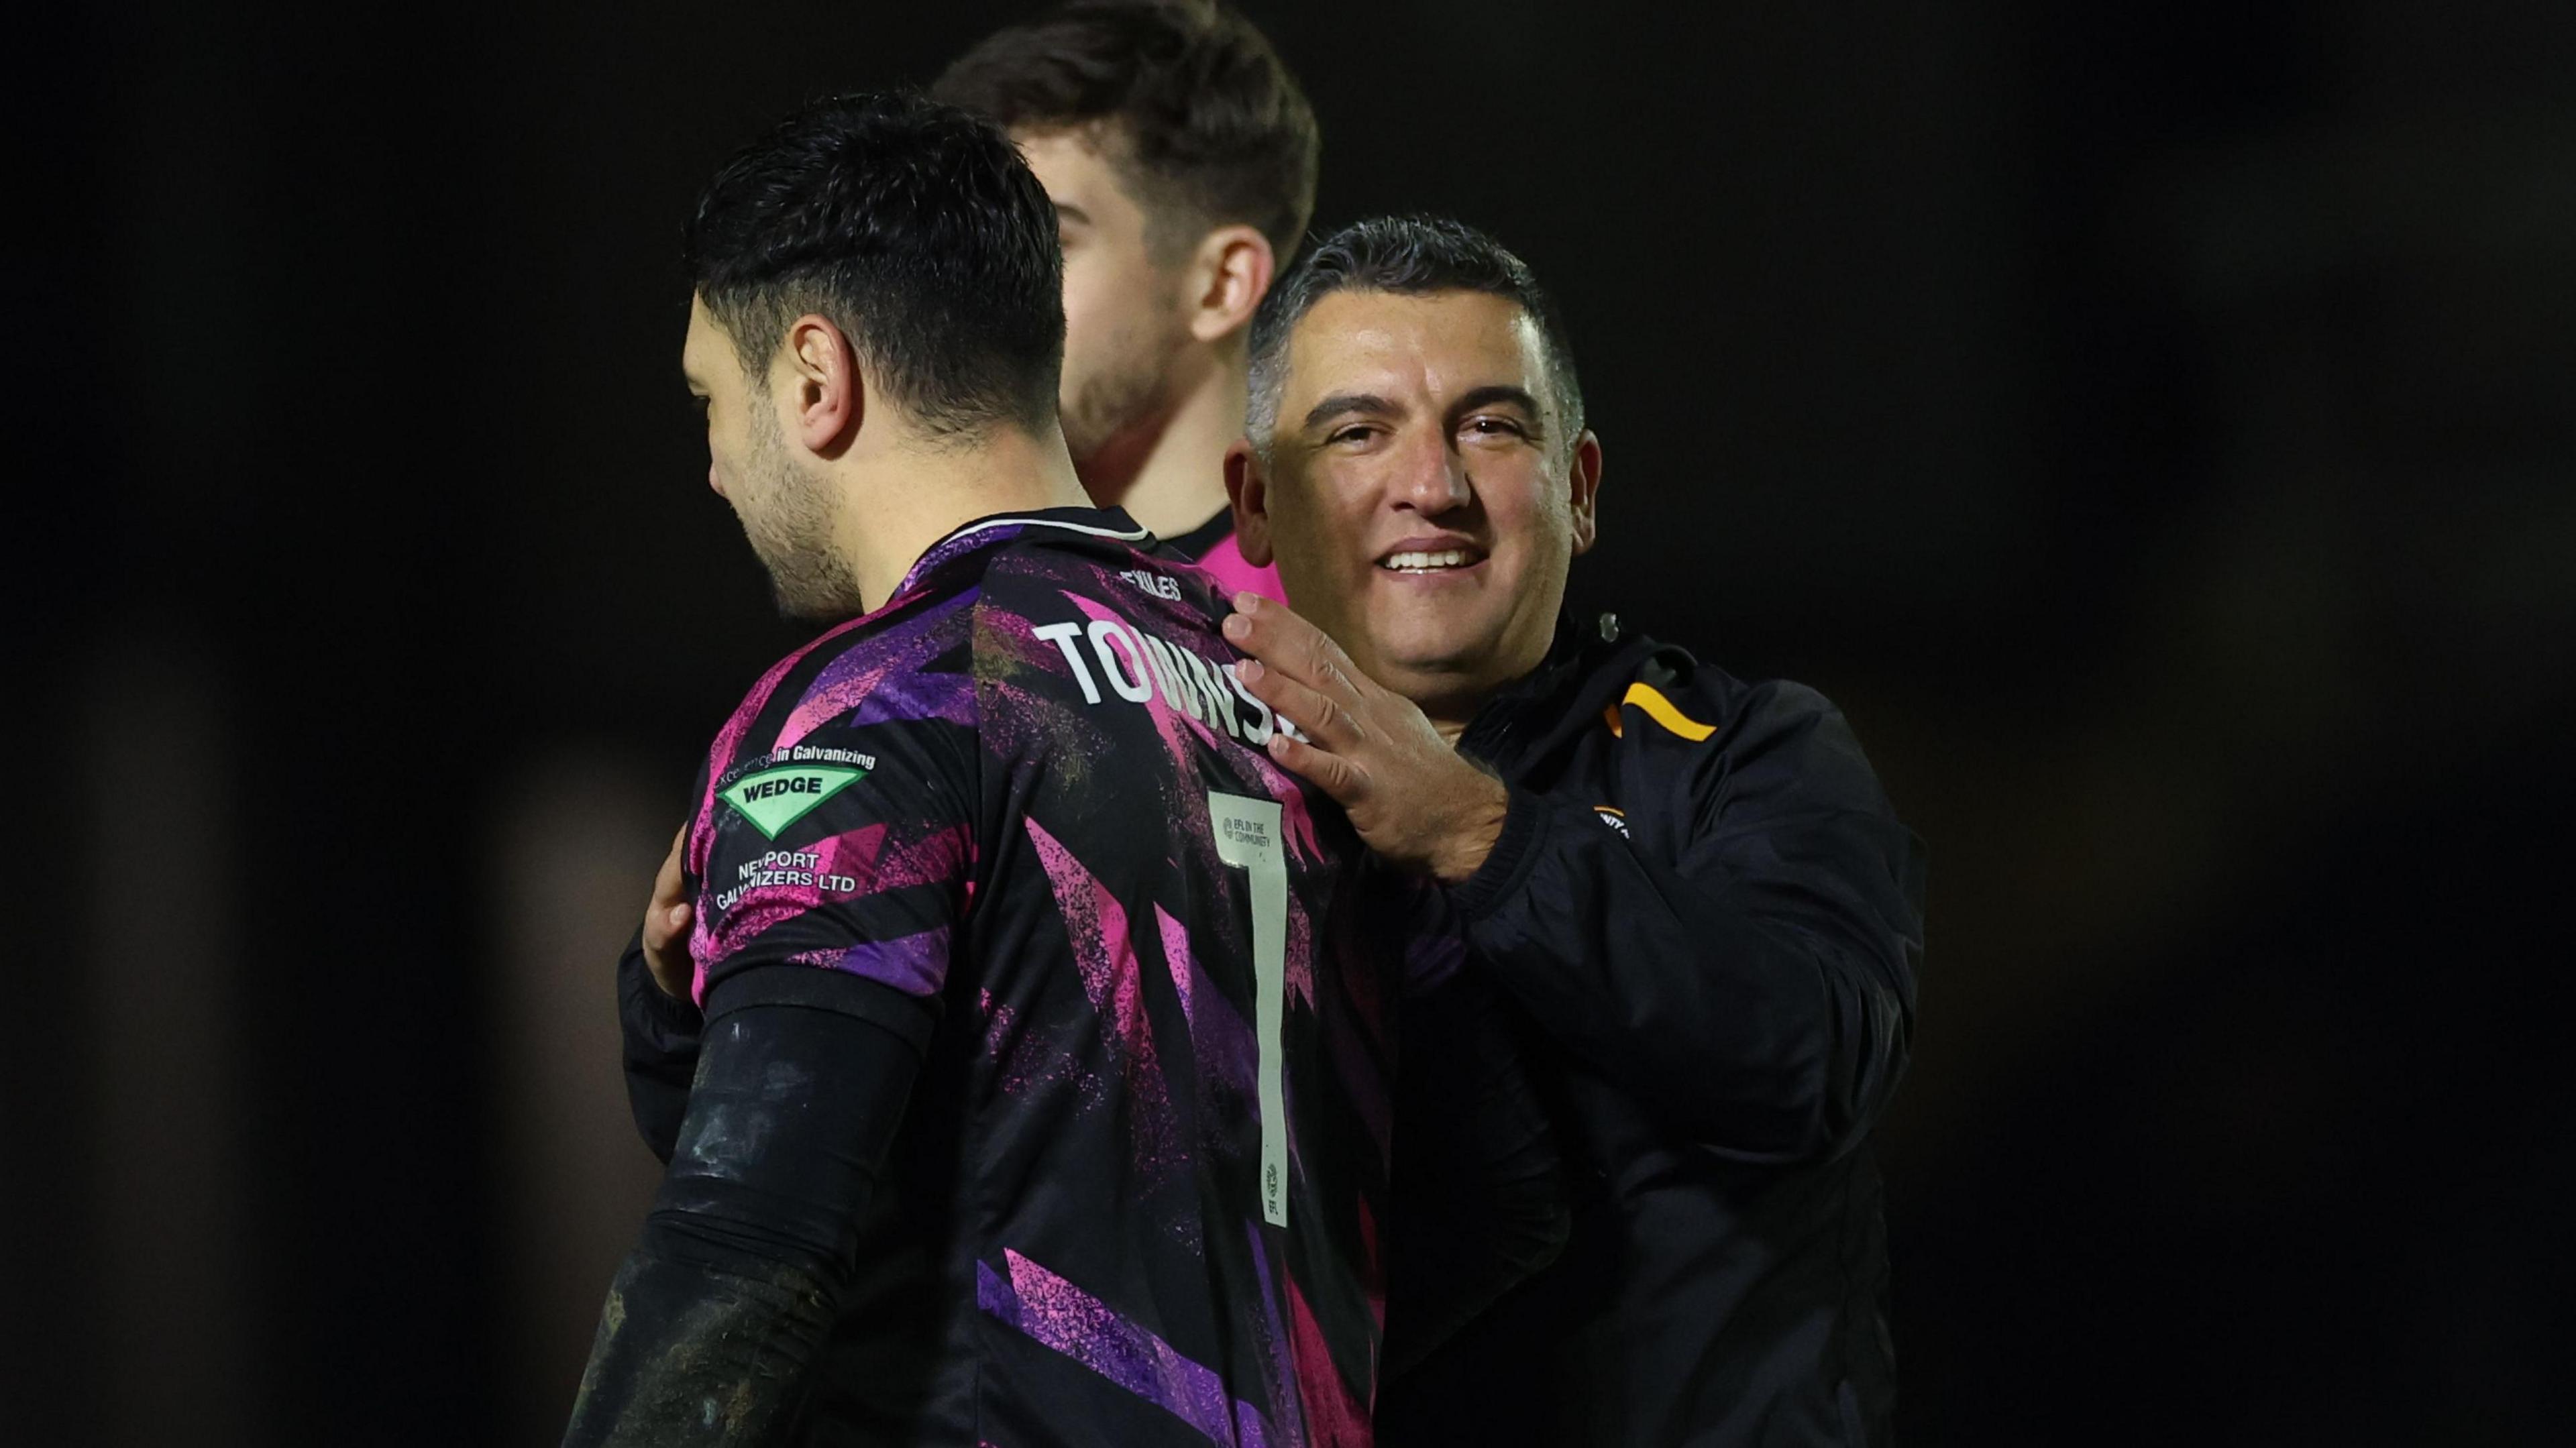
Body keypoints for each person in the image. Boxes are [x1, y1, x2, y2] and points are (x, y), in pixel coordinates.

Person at [568, 95, 1468, 1445]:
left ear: (816, 378)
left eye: (713, 399)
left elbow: (745, 1241)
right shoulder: (1284, 683)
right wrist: (676, 1001)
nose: (712, 462)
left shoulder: (881, 702)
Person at [1220, 216, 1928, 1445]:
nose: (1431, 484)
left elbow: (1813, 1055)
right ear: (1257, 504)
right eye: (1357, 431)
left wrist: (1478, 832)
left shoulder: (1747, 750)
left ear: (1581, 491)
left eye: (1492, 426)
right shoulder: (1181, 785)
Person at [932, 0, 1314, 602]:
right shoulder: (954, 604)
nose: (979, 296)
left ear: (1221, 285)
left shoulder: (1338, 615)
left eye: (1045, 242)